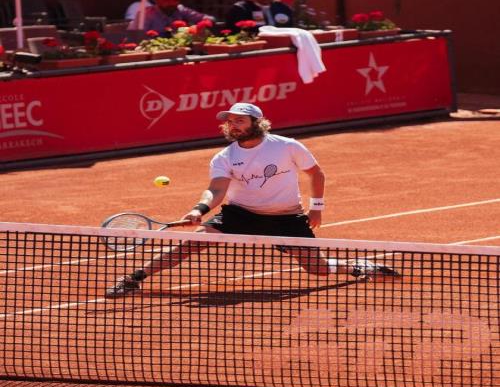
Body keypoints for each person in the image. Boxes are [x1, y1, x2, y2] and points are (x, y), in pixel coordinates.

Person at [106, 103, 399, 298]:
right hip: (240, 213)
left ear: (257, 123)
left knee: (316, 268)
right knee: (192, 243)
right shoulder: (224, 157)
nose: (233, 125)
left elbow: (315, 172)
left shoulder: (287, 146)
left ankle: (357, 267)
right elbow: (216, 189)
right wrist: (199, 209)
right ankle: (134, 278)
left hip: (286, 216)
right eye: (230, 121)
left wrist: (317, 208)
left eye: (239, 120)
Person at [128, 0, 215, 34]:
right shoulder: (146, 14)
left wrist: (204, 22)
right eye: (167, 0)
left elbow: (207, 18)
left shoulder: (179, 9)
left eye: (175, 0)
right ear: (157, 1)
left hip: (176, 48)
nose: (172, 3)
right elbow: (138, 37)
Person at [225, 0, 293, 33]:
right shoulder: (240, 9)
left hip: (281, 44)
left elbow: (291, 29)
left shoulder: (283, 8)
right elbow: (234, 32)